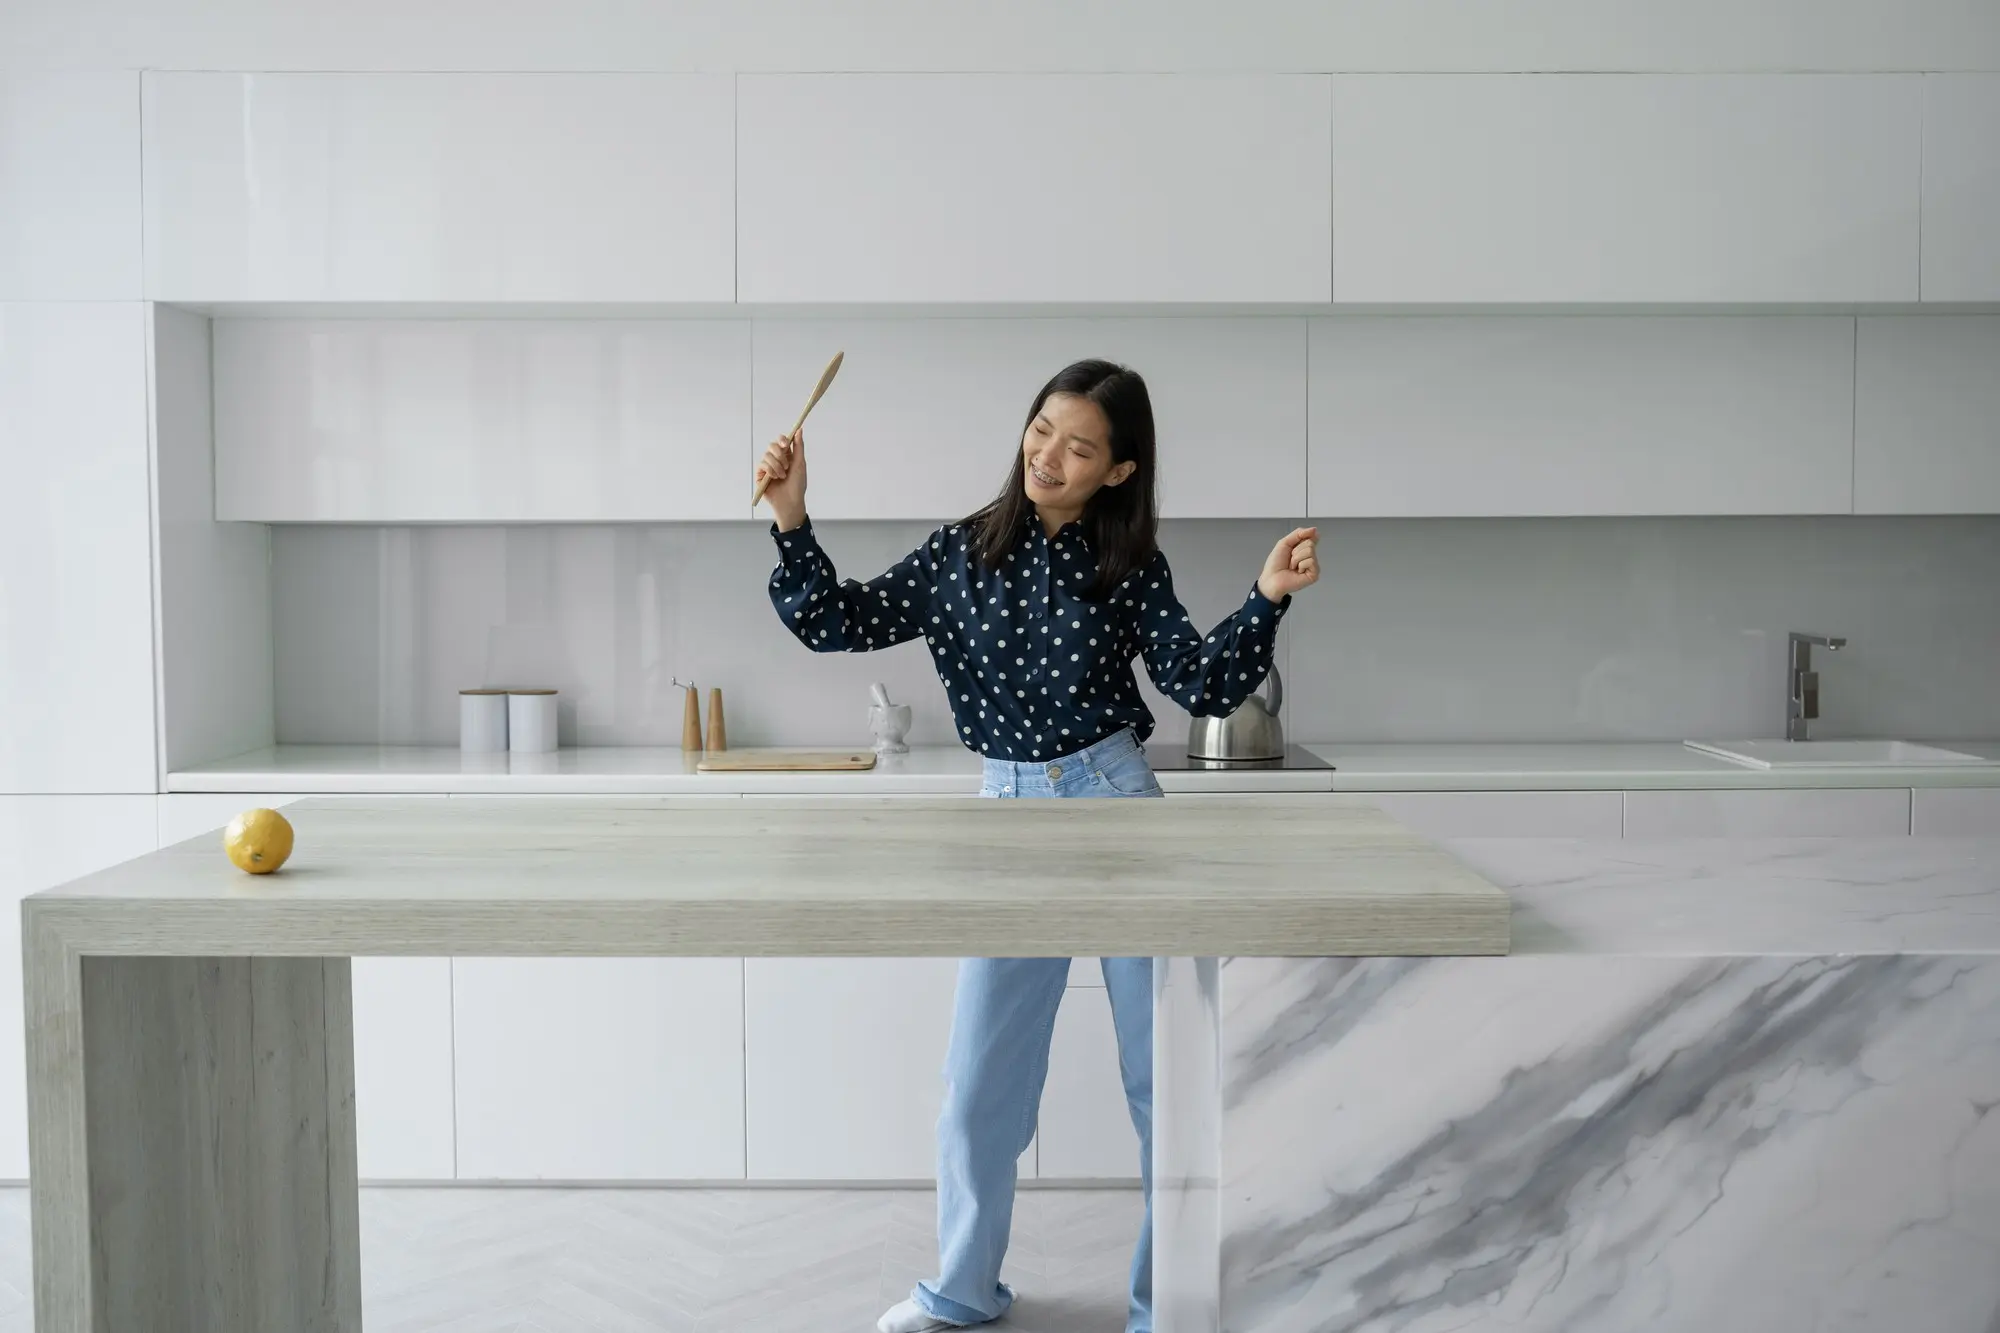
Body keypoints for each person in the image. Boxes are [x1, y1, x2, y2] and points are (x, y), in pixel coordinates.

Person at [758, 358, 1319, 1333]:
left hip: (1113, 807)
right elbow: (836, 622)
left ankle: (1166, 1306)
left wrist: (1266, 595)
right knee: (981, 1082)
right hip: (1004, 814)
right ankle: (963, 1291)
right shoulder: (955, 554)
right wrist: (791, 520)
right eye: (1041, 429)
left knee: (1164, 1085)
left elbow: (1197, 680)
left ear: (1117, 471)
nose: (1048, 454)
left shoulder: (1128, 567)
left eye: (1079, 445)